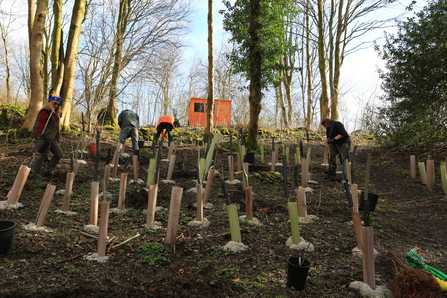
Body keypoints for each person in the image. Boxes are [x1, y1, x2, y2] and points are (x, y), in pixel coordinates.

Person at [31, 95, 64, 179]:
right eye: (54, 103)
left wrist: (56, 137)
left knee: (59, 154)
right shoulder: (45, 111)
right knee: (42, 155)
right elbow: (40, 124)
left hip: (52, 138)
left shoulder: (54, 113)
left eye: (58, 104)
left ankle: (49, 170)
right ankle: (36, 174)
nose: (56, 105)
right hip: (44, 137)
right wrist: (39, 136)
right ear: (50, 102)